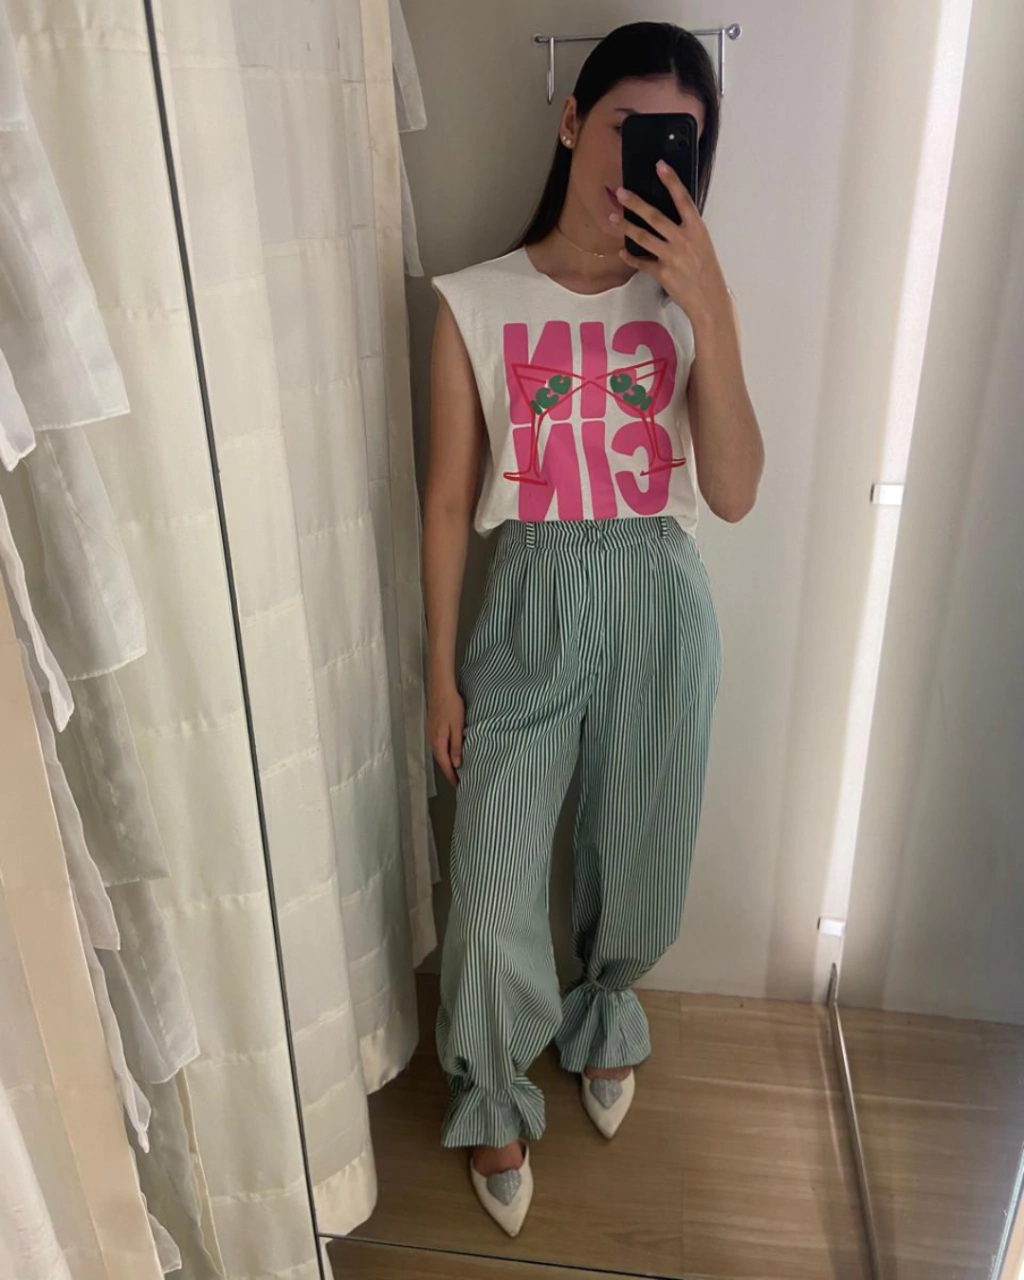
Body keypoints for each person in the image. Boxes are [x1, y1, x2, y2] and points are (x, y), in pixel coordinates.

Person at [422, 20, 763, 1236]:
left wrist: (712, 313)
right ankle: (492, 1077)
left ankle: (608, 1000)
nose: (645, 160)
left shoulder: (685, 303)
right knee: (491, 876)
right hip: (528, 596)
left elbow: (733, 492)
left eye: (677, 141)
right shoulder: (474, 301)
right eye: (629, 126)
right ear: (572, 120)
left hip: (657, 595)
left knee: (641, 838)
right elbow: (448, 502)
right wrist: (438, 675)